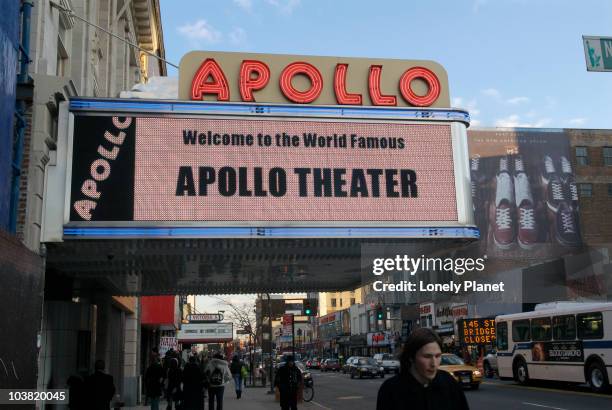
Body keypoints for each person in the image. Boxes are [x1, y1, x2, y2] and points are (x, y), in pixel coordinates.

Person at [376, 328, 469, 410]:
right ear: (411, 357)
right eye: (427, 356)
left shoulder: (449, 383)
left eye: (437, 356)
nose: (434, 363)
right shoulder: (391, 390)